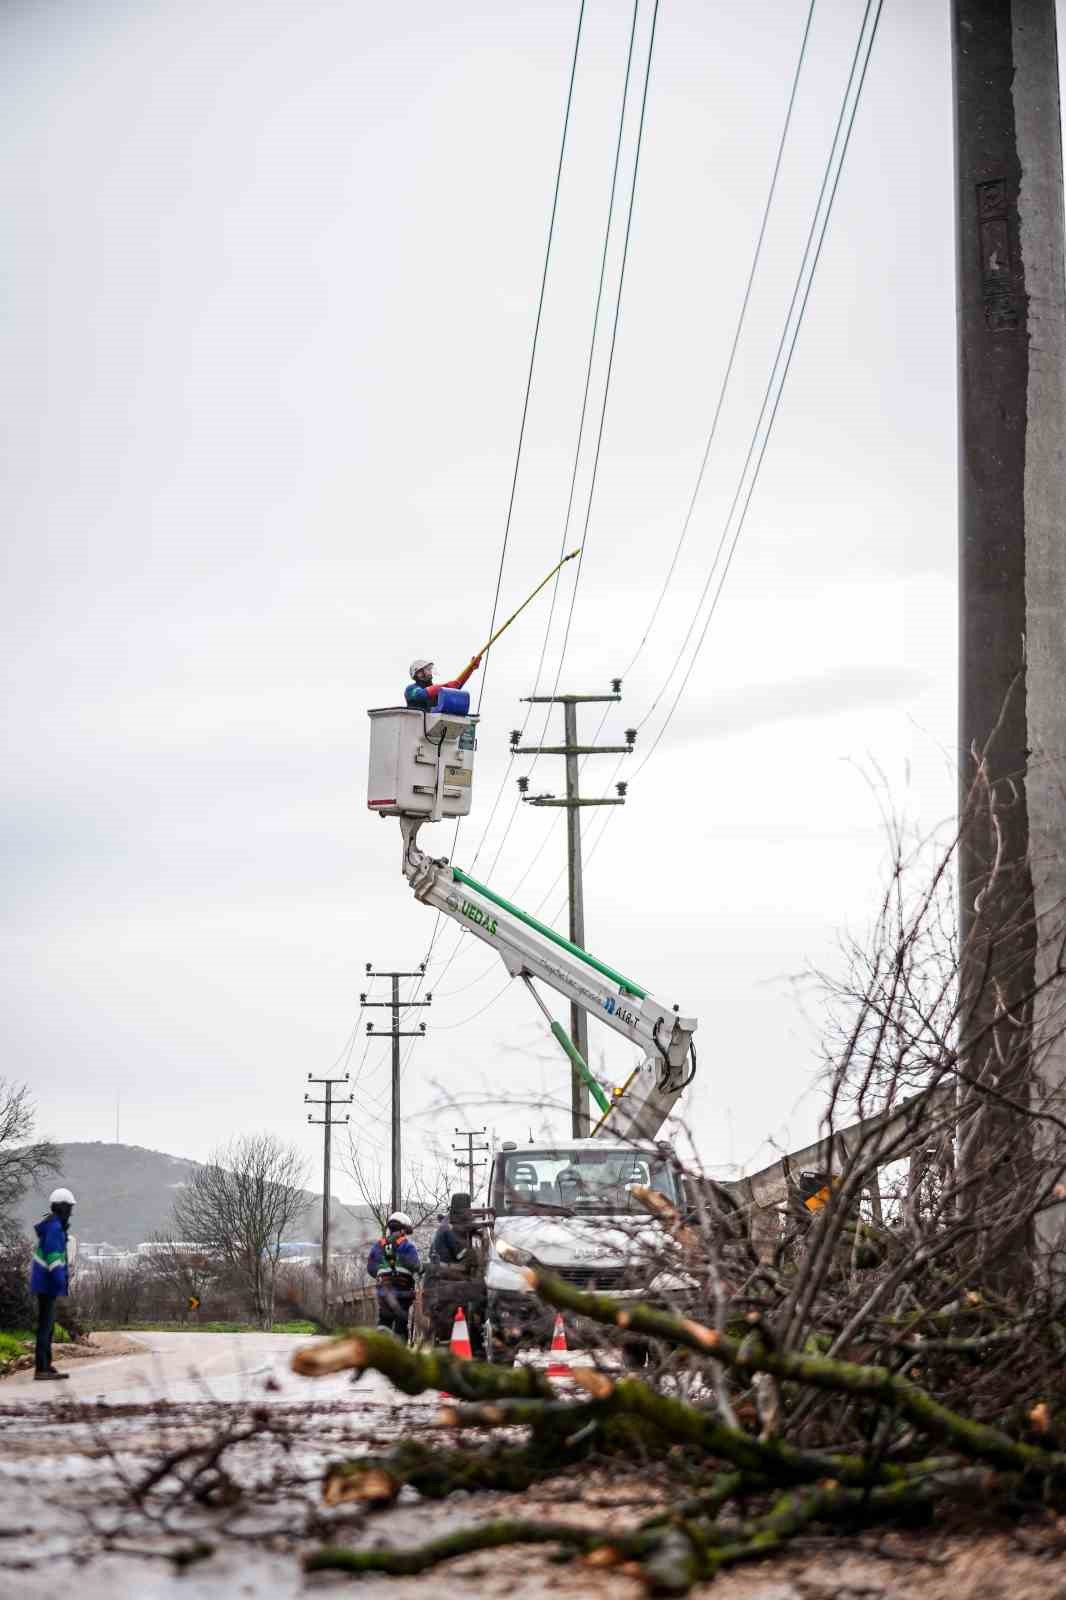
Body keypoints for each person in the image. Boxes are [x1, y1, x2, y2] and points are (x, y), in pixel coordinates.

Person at [424, 1193, 486, 1355]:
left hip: (438, 1281)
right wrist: (477, 1255)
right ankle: (475, 1345)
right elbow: (465, 1256)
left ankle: (451, 1347)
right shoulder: (450, 1229)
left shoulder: (446, 1224)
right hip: (445, 1281)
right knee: (480, 1295)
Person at [30, 1187, 75, 1381]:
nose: (71, 1212)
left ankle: (46, 1365)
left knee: (46, 1326)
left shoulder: (52, 1226)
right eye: (70, 1208)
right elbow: (54, 1258)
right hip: (47, 1283)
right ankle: (42, 1368)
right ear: (63, 1208)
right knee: (46, 1326)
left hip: (44, 1282)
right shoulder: (55, 1229)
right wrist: (60, 1282)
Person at [366, 1212, 421, 1340]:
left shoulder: (379, 1245)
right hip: (403, 1294)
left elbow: (370, 1268)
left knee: (384, 1322)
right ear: (402, 1230)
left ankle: (381, 1350)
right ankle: (400, 1353)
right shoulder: (407, 1246)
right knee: (401, 1325)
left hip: (384, 1294)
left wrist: (381, 1274)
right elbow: (415, 1265)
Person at [404, 655, 481, 710]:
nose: (430, 672)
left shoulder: (434, 691)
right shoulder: (410, 689)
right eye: (428, 670)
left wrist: (470, 669)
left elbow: (456, 686)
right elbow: (421, 694)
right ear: (419, 673)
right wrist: (446, 686)